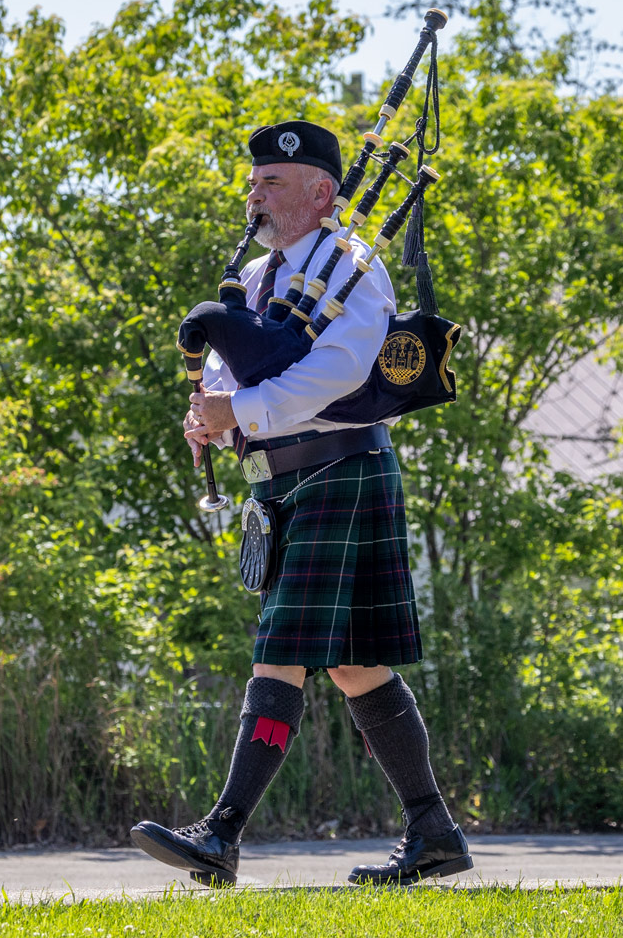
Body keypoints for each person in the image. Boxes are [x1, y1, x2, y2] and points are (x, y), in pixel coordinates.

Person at [130, 120, 472, 887]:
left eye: (272, 182)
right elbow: (231, 376)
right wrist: (210, 414)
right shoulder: (255, 278)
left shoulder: (352, 265)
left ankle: (220, 834)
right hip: (284, 480)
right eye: (252, 181)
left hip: (340, 466)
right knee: (352, 665)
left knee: (280, 648)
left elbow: (340, 374)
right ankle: (433, 831)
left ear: (321, 192)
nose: (255, 192)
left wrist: (242, 414)